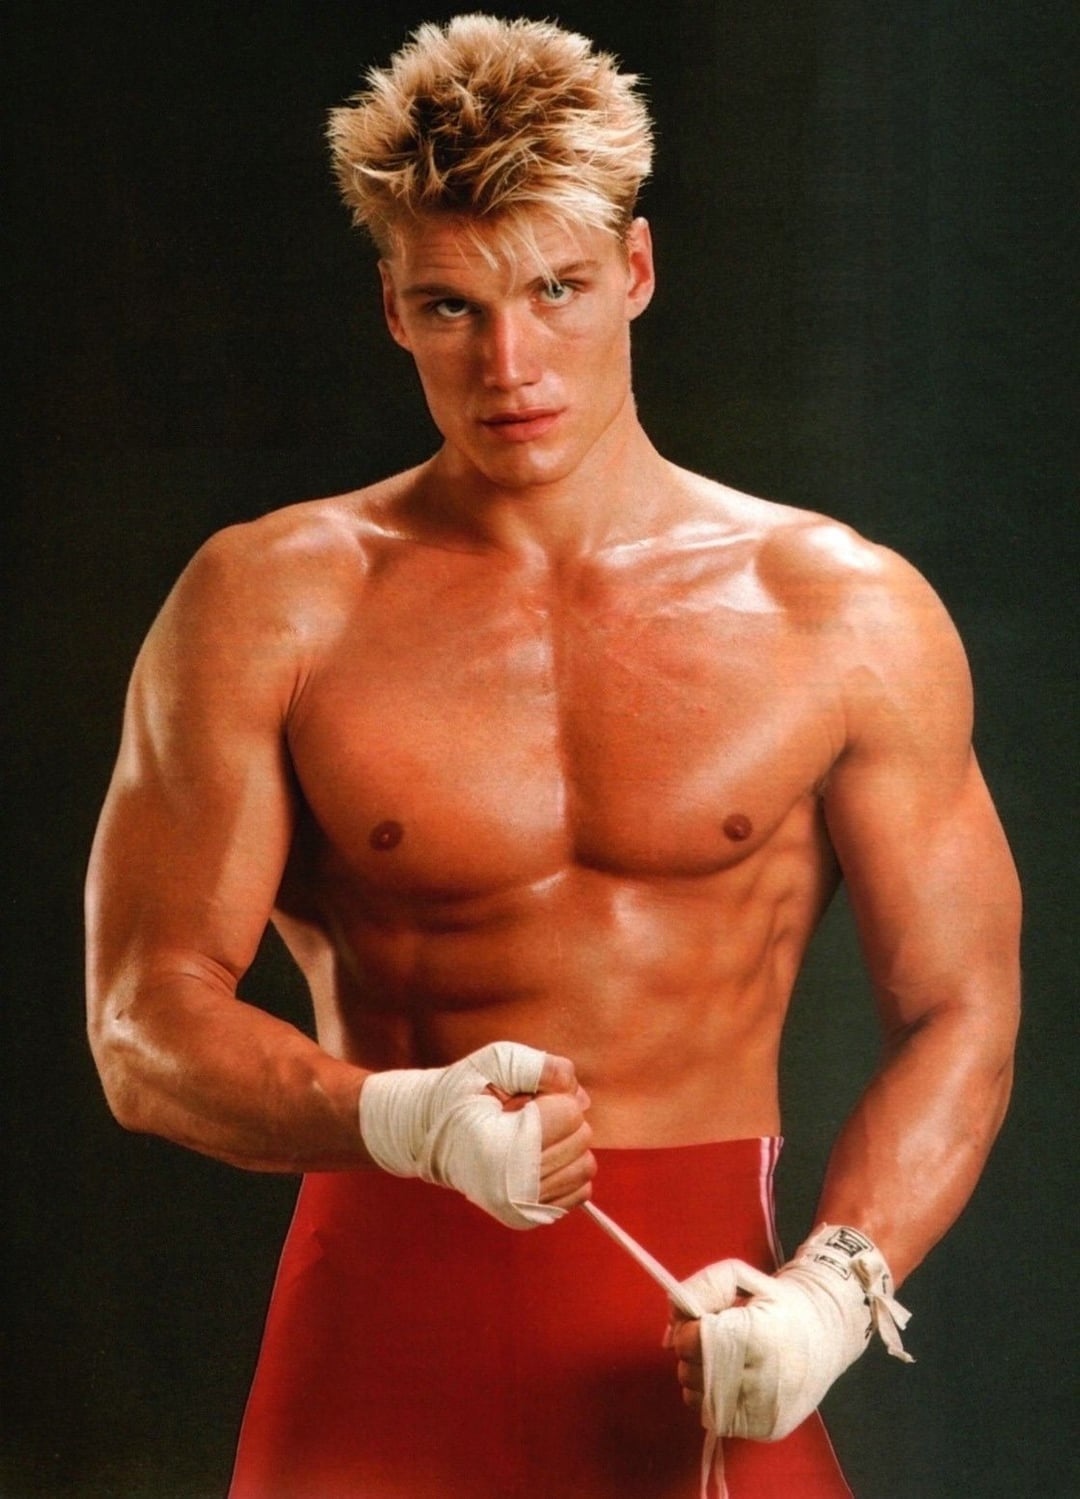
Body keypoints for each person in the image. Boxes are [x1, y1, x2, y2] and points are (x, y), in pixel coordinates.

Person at [85, 15, 1021, 1499]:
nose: (510, 364)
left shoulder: (841, 610)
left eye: (557, 290)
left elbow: (961, 1007)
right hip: (376, 1338)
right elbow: (143, 1022)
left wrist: (839, 1290)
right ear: (393, 308)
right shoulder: (269, 602)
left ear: (635, 270)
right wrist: (397, 1117)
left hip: (712, 1338)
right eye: (452, 307)